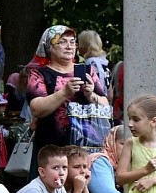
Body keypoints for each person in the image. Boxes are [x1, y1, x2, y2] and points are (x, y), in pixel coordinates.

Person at [25, 25, 108, 164]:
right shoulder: (39, 73)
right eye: (62, 42)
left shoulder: (88, 70)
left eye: (72, 42)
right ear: (50, 47)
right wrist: (64, 93)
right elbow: (36, 108)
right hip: (51, 150)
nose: (69, 47)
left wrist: (90, 95)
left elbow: (105, 105)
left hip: (85, 148)